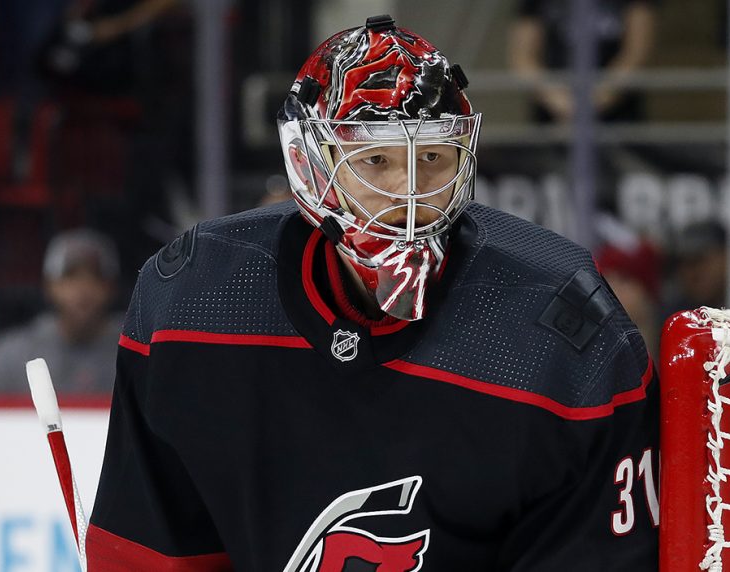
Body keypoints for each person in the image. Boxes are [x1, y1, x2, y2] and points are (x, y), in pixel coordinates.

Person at [88, 15, 658, 570]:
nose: (407, 188)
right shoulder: (195, 302)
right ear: (312, 165)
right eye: (375, 159)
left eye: (432, 157)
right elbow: (149, 550)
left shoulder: (564, 328)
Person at [0, 228, 122, 394]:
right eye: (70, 275)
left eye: (95, 276)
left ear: (111, 286)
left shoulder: (136, 353)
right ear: (49, 285)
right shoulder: (10, 355)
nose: (83, 288)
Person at [508, 0, 657, 123]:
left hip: (619, 118)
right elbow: (522, 57)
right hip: (552, 118)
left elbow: (637, 53)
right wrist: (558, 100)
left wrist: (596, 99)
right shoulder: (534, 4)